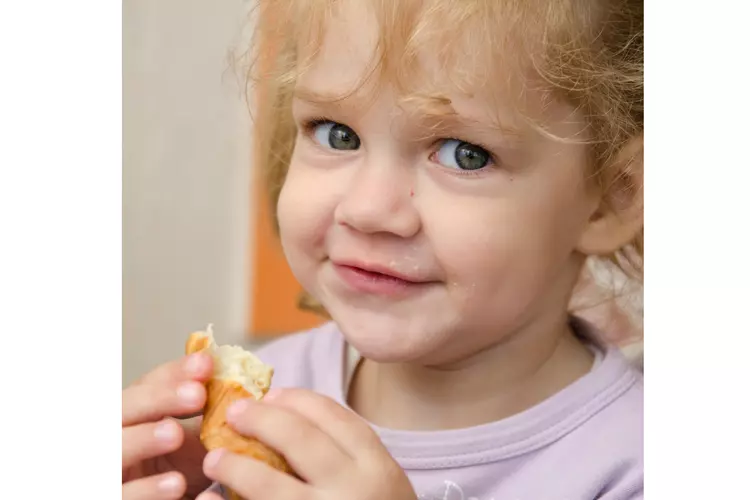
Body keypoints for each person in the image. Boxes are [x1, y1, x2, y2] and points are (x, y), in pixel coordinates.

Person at [122, 0, 644, 498]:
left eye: (464, 154)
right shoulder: (272, 393)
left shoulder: (631, 467)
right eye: (337, 134)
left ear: (612, 201)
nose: (368, 209)